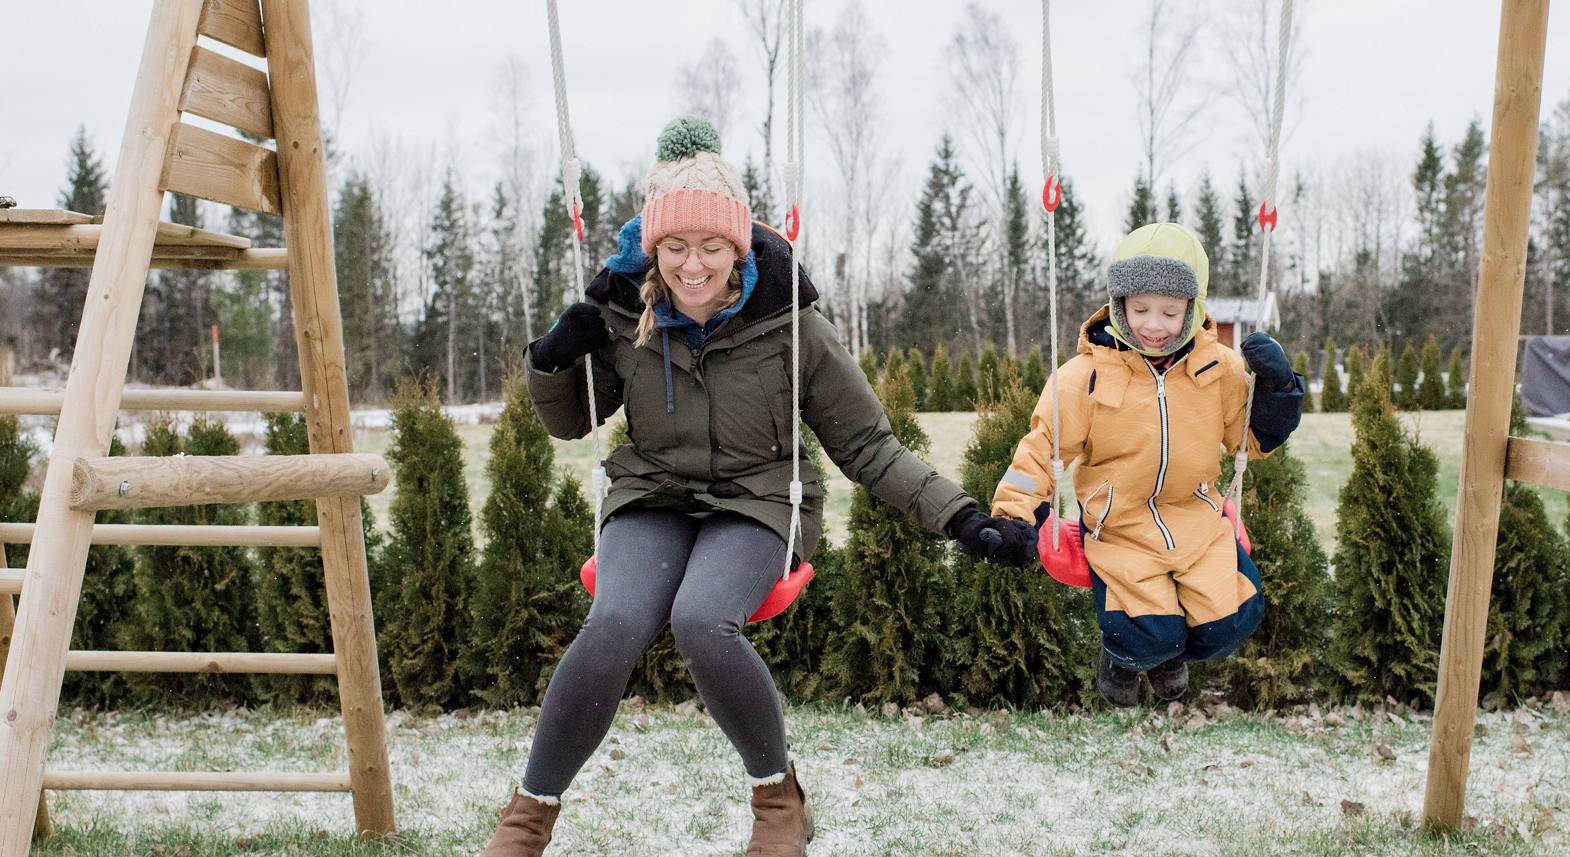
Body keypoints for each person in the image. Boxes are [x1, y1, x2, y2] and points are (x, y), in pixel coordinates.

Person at [480, 117, 1037, 857]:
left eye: (712, 246)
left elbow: (866, 441)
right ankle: (528, 818)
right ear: (652, 248)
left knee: (702, 618)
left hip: (759, 501)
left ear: (739, 243)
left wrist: (961, 518)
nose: (693, 264)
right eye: (674, 246)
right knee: (614, 621)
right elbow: (573, 422)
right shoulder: (623, 312)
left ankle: (778, 800)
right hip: (652, 495)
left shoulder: (789, 323)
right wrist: (552, 359)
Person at [990, 222, 1304, 708]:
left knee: (1233, 619)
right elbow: (1041, 446)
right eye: (1139, 309)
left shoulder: (1217, 368)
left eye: (1169, 311)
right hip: (1120, 527)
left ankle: (1169, 653)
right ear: (1118, 306)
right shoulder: (1085, 377)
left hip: (1197, 518)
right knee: (1143, 635)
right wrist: (1015, 514)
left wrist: (1279, 390)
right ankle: (1127, 658)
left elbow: (1254, 440)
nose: (1153, 324)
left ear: (1193, 309)